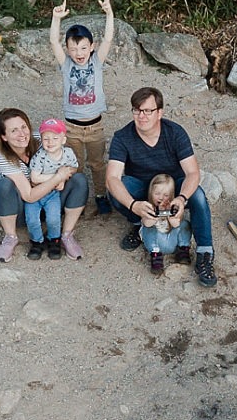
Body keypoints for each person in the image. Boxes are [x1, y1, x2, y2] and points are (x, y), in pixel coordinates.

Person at [106, 87, 217, 287]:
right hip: (143, 189)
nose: (142, 116)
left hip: (173, 186)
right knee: (117, 190)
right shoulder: (123, 137)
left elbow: (193, 173)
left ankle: (205, 253)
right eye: (137, 110)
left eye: (148, 110)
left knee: (198, 196)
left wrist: (181, 199)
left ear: (159, 112)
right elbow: (112, 177)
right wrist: (133, 205)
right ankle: (140, 224)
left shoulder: (174, 132)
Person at [0, 108, 86, 262]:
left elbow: (71, 165)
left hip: (53, 200)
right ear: (4, 137)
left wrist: (62, 179)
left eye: (23, 127)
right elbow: (28, 196)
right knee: (4, 186)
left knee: (79, 180)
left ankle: (66, 235)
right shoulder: (2, 158)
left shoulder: (42, 140)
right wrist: (57, 178)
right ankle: (10, 237)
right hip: (23, 207)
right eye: (14, 130)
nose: (22, 134)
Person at [50, 0, 116, 215]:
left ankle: (100, 195)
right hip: (72, 128)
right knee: (74, 165)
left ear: (91, 47)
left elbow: (108, 39)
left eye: (83, 48)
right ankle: (74, 197)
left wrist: (109, 13)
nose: (79, 53)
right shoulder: (66, 64)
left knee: (97, 164)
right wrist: (56, 18)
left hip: (95, 126)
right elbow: (53, 41)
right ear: (68, 49)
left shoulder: (96, 62)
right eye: (74, 48)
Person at [25, 118, 80, 260]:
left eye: (55, 138)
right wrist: (57, 178)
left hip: (52, 194)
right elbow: (35, 178)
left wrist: (63, 178)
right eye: (46, 139)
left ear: (63, 139)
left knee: (54, 218)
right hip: (35, 192)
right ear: (41, 140)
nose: (50, 142)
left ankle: (54, 240)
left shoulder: (67, 153)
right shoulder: (40, 156)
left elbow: (74, 168)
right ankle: (37, 241)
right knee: (32, 219)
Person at [139, 173, 190, 276]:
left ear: (171, 196)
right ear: (151, 192)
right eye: (157, 193)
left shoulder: (173, 208)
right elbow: (147, 223)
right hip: (156, 242)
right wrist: (157, 213)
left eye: (165, 195)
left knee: (185, 224)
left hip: (172, 240)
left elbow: (176, 225)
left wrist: (171, 216)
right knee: (149, 228)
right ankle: (156, 255)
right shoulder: (147, 207)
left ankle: (183, 249)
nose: (161, 198)